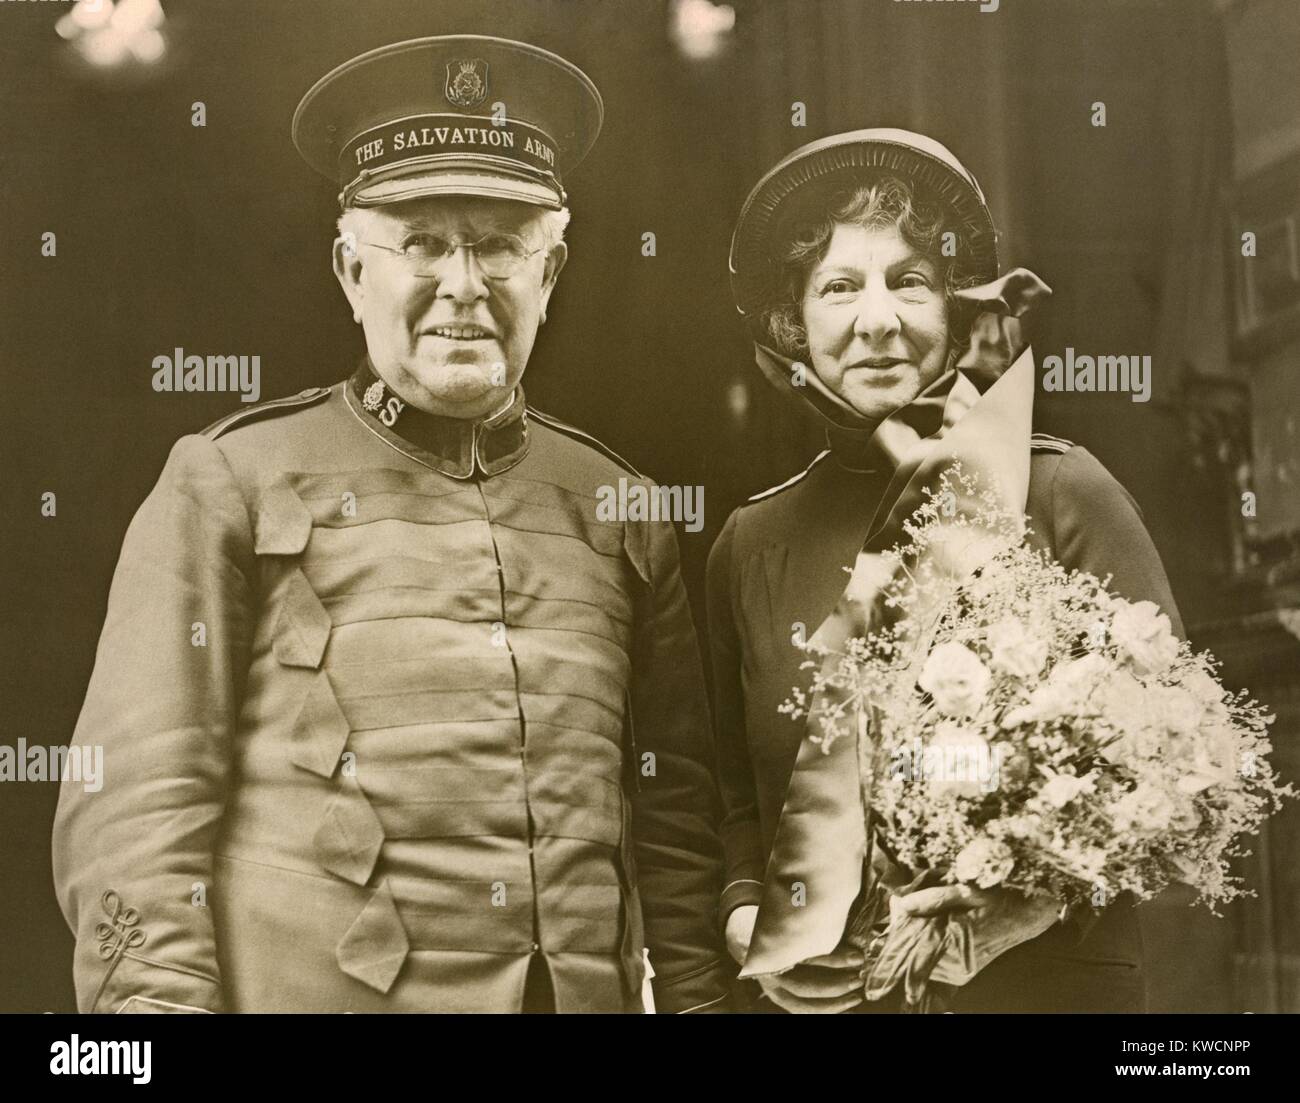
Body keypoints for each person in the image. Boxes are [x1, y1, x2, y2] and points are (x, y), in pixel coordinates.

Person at [52, 35, 729, 1014]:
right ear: (349, 270)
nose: (463, 284)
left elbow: (675, 834)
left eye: (499, 244)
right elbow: (137, 812)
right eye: (419, 242)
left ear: (551, 271)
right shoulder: (227, 482)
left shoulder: (620, 508)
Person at [709, 129, 1183, 1013]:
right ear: (793, 325)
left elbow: (1176, 759)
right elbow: (737, 797)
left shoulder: (1062, 489)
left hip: (1048, 990)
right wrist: (747, 911)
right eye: (839, 287)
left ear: (958, 310)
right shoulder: (750, 542)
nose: (877, 319)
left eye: (910, 282)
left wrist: (1016, 903)